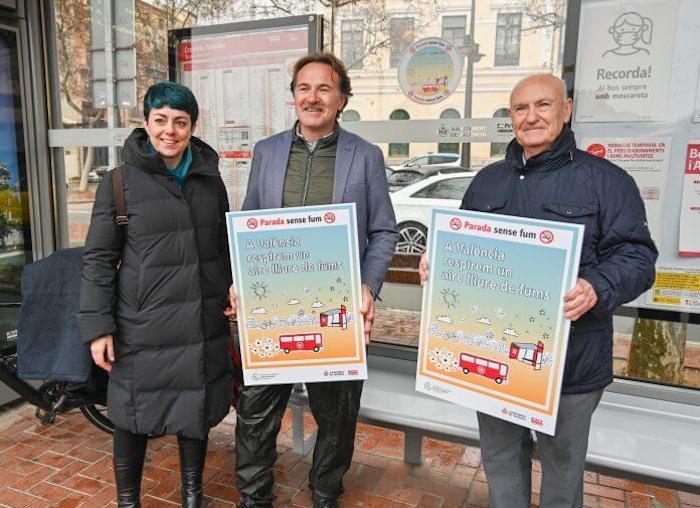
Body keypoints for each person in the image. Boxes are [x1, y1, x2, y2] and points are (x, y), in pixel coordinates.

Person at [419, 73, 657, 508]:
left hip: (571, 366)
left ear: (566, 109)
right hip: (494, 358)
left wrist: (596, 286)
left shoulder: (606, 181)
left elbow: (639, 260)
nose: (531, 117)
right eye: (520, 109)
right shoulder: (487, 181)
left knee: (562, 474)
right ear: (511, 117)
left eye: (543, 106)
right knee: (500, 461)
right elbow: (464, 246)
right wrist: (438, 259)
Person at [226, 52, 397, 508]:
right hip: (274, 308)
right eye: (304, 88)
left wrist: (367, 286)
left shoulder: (365, 156)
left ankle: (325, 491)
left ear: (341, 99)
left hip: (336, 309)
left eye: (324, 89)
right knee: (256, 410)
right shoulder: (267, 151)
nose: (313, 97)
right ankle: (254, 496)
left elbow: (383, 231)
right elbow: (250, 222)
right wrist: (241, 277)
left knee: (337, 414)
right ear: (294, 97)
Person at [78, 82, 233, 508]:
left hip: (202, 317)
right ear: (145, 123)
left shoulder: (209, 178)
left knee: (195, 410)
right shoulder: (118, 183)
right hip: (142, 324)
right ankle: (129, 500)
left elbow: (222, 244)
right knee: (131, 413)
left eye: (180, 122)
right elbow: (98, 259)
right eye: (160, 120)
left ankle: (192, 494)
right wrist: (97, 328)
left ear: (192, 126)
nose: (170, 131)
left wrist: (235, 286)